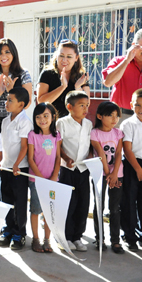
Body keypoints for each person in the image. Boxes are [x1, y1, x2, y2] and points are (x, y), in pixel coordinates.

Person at [0, 87, 32, 250]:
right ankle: (8, 230)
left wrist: (17, 163)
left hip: (19, 168)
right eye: (7, 99)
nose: (6, 102)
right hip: (5, 167)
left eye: (10, 100)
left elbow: (24, 146)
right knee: (6, 200)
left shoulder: (25, 122)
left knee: (19, 202)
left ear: (21, 104)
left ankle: (19, 233)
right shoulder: (5, 121)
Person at [56, 90, 92, 252]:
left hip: (83, 169)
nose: (86, 109)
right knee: (68, 203)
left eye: (87, 105)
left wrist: (90, 158)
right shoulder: (62, 123)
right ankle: (66, 236)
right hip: (67, 169)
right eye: (82, 105)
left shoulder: (88, 124)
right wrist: (66, 158)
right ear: (69, 107)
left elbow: (89, 146)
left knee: (83, 203)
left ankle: (77, 236)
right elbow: (59, 145)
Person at [27, 103, 62, 253]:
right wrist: (41, 178)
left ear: (53, 117)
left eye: (46, 116)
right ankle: (36, 239)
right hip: (36, 181)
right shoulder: (32, 135)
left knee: (49, 210)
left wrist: (54, 176)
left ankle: (47, 239)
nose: (42, 119)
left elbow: (59, 157)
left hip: (52, 181)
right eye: (38, 117)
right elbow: (30, 159)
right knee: (35, 209)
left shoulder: (56, 135)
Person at [91, 101, 124, 253]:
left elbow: (118, 154)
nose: (114, 119)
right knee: (99, 207)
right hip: (100, 175)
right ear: (99, 116)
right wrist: (107, 173)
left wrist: (114, 174)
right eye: (110, 115)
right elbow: (101, 154)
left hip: (118, 175)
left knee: (115, 208)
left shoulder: (118, 133)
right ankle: (100, 239)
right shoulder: (94, 133)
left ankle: (115, 241)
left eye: (117, 116)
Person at [0, 38, 32, 131]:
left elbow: (27, 103)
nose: (3, 56)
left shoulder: (23, 74)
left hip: (14, 122)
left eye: (7, 52)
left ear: (13, 53)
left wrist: (11, 92)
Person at [37, 39, 89, 118]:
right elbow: (41, 101)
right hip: (50, 122)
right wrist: (62, 87)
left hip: (73, 123)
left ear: (76, 58)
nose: (64, 60)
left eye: (69, 56)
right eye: (61, 55)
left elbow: (86, 104)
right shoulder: (47, 74)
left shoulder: (80, 76)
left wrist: (78, 87)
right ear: (56, 56)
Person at [102, 29, 142, 125]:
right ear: (133, 45)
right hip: (119, 116)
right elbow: (108, 82)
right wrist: (127, 60)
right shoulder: (118, 61)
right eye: (141, 46)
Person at [120, 89, 142, 252]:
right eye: (137, 105)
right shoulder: (127, 124)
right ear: (131, 105)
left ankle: (141, 234)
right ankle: (129, 236)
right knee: (128, 200)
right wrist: (138, 169)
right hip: (132, 164)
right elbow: (127, 150)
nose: (141, 109)